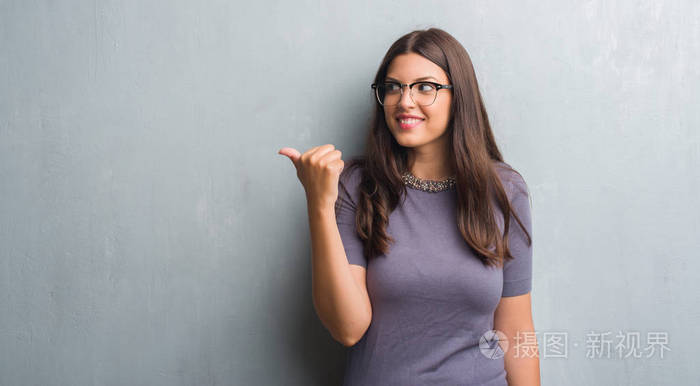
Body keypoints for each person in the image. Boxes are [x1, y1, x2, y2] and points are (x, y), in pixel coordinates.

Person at [279, 27, 540, 386]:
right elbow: (348, 328)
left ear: (458, 96)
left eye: (425, 87)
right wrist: (319, 204)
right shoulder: (357, 185)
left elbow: (516, 329)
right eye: (393, 87)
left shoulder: (505, 190)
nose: (404, 101)